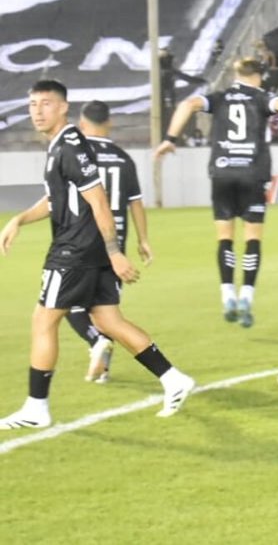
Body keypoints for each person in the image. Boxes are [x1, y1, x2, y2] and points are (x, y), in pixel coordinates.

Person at [0, 80, 196, 429]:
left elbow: (99, 201)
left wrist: (115, 252)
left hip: (74, 251)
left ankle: (36, 408)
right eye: (32, 104)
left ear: (63, 107)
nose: (37, 111)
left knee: (43, 320)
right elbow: (55, 200)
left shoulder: (70, 147)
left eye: (45, 104)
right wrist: (20, 219)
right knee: (108, 321)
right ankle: (173, 379)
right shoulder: (62, 146)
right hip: (89, 250)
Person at [156, 58, 278, 328]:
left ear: (236, 75)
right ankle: (246, 296)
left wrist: (170, 139)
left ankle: (227, 295)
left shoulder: (220, 98)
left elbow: (187, 104)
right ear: (259, 76)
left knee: (225, 237)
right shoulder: (261, 97)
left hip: (222, 172)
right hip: (252, 173)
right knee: (252, 238)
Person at [66, 101, 154, 384]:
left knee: (69, 303)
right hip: (116, 244)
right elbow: (136, 203)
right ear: (109, 122)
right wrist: (143, 240)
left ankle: (96, 342)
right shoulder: (123, 158)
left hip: (84, 239)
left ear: (82, 124)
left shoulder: (77, 153)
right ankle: (103, 369)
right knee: (105, 309)